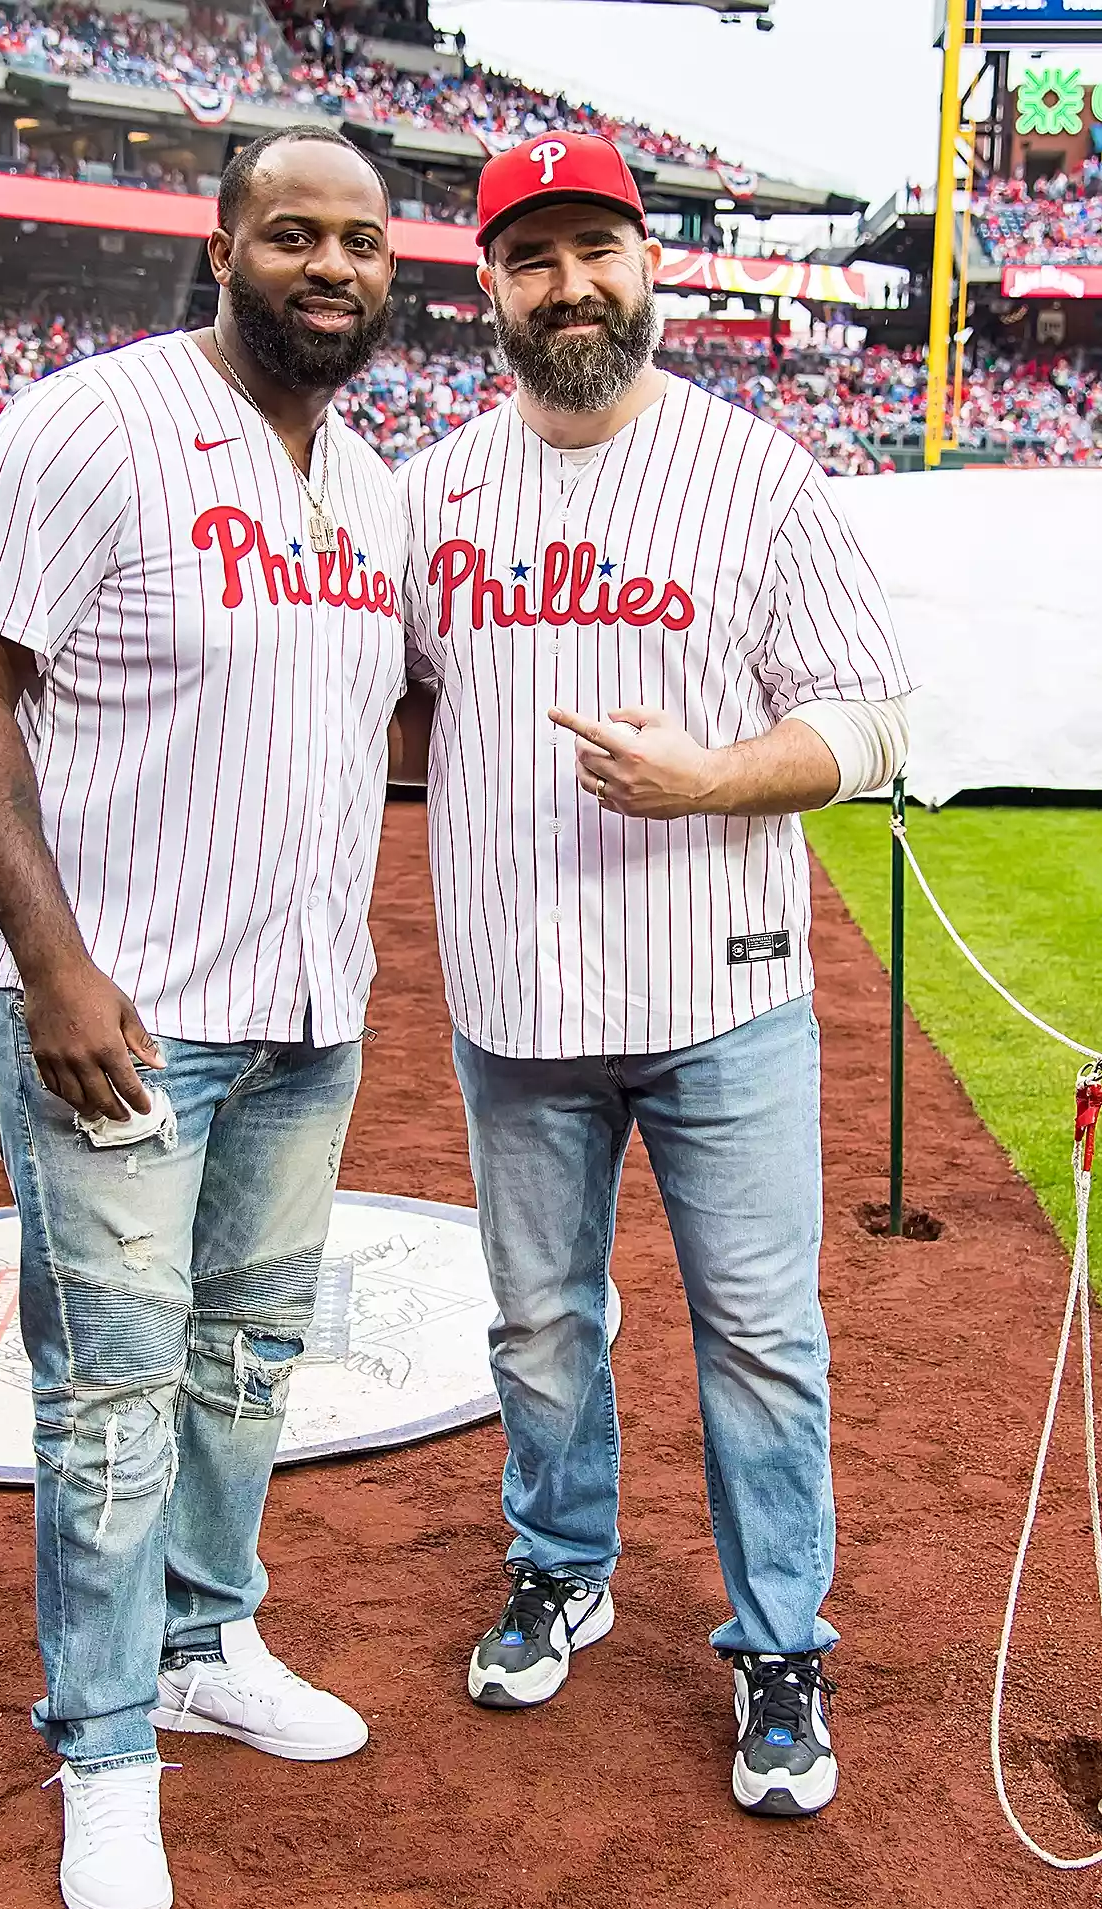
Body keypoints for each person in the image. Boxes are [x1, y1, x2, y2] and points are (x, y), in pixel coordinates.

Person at [0, 126, 405, 1909]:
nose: (329, 264)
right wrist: (47, 968)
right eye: (292, 233)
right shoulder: (87, 425)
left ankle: (205, 1642)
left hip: (299, 1015)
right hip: (117, 1014)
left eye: (358, 237)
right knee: (109, 1399)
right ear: (220, 245)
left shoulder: (372, 482)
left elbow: (382, 731)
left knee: (243, 1365)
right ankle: (104, 1743)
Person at [396, 133, 911, 1820]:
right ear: (486, 286)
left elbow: (869, 718)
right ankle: (563, 1563)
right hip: (514, 1003)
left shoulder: (757, 476)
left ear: (648, 265)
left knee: (759, 1336)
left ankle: (776, 1643)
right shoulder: (430, 492)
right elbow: (389, 700)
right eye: (531, 256)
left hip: (719, 991)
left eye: (595, 249)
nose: (570, 286)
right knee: (540, 1320)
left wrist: (710, 779)